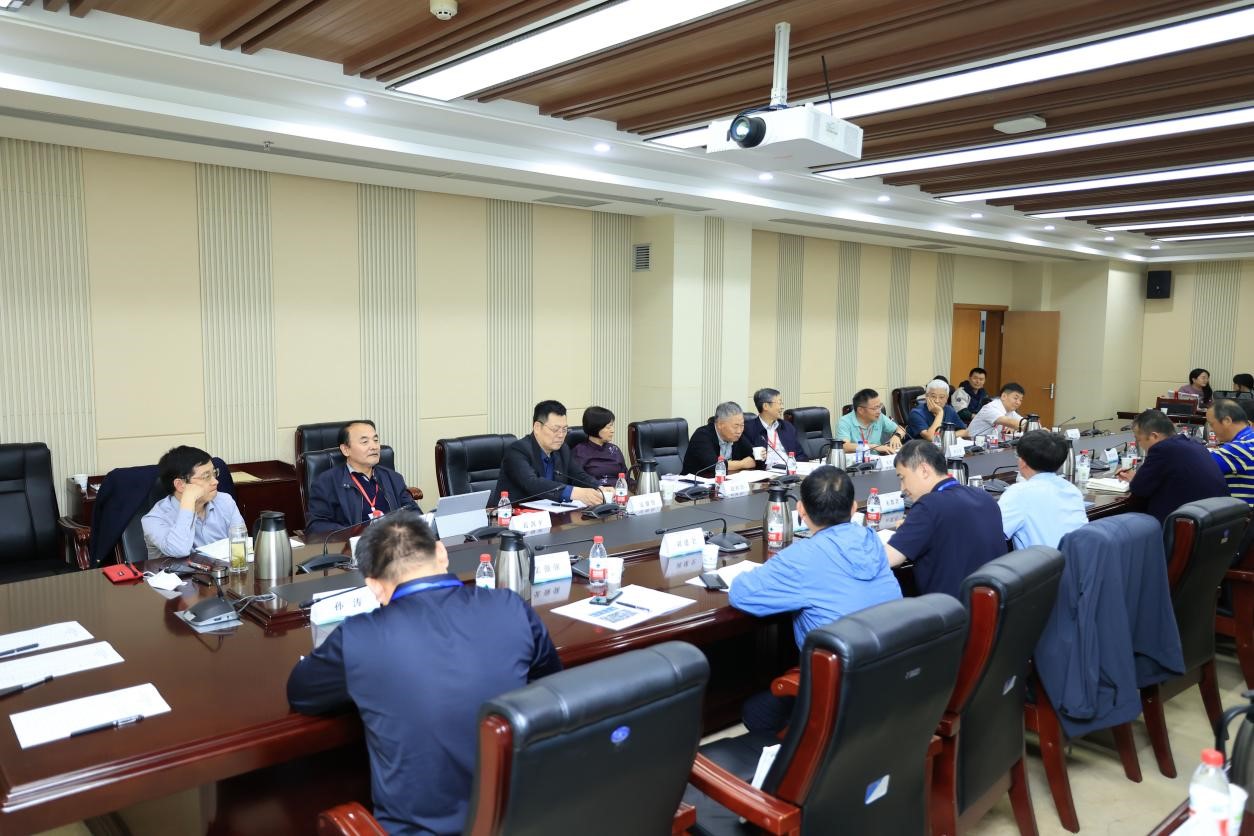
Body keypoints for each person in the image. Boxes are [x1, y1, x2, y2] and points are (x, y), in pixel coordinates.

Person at [287, 511, 561, 835]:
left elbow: (301, 692)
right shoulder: (510, 606)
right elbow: (550, 683)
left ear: (373, 586)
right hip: (522, 820)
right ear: (441, 553)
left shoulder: (359, 637)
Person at [728, 465, 902, 732]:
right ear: (853, 508)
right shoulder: (870, 539)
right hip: (893, 678)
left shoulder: (802, 557)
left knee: (755, 712)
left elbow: (741, 593)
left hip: (842, 691)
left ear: (801, 510)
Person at [884, 440, 1008, 598]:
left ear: (923, 470)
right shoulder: (984, 497)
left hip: (949, 609)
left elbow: (887, 559)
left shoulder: (928, 506)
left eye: (902, 478)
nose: (902, 488)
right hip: (992, 604)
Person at [305, 420, 420, 534]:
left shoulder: (393, 478)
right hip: (352, 544)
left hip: (394, 541)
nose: (374, 447)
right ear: (346, 450)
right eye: (365, 442)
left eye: (375, 440)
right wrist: (354, 533)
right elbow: (316, 525)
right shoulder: (325, 483)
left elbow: (414, 512)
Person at [1116, 409, 1228, 522]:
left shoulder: (1162, 449)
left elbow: (1139, 489)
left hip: (1183, 524)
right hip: (1214, 520)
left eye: (1138, 440)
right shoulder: (1195, 444)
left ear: (1153, 436)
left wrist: (1134, 479)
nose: (1139, 444)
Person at [491, 400, 605, 507]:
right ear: (537, 427)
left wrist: (599, 487)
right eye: (555, 429)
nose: (561, 435)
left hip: (551, 514)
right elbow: (532, 483)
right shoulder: (517, 451)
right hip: (513, 516)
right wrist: (574, 492)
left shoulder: (562, 449)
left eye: (564, 429)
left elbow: (578, 475)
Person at [141, 445, 245, 560]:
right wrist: (188, 500)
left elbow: (241, 545)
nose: (215, 481)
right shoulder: (154, 520)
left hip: (224, 570)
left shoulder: (225, 501)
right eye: (206, 476)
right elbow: (179, 550)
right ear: (180, 485)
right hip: (178, 572)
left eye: (214, 473)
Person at [998, 430, 1087, 549]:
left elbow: (993, 532)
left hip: (1041, 561)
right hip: (1075, 558)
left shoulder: (1019, 493)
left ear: (1022, 462)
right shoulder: (1072, 489)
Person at [681, 401, 756, 475]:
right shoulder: (702, 435)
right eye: (735, 426)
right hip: (696, 481)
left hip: (726, 479)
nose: (739, 431)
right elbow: (714, 465)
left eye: (742, 425)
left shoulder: (737, 436)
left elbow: (754, 455)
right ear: (720, 424)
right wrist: (742, 464)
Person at [1208, 399, 1254, 506]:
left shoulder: (1239, 448)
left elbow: (1198, 467)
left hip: (1243, 513)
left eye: (1212, 424)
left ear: (1227, 421)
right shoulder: (1249, 439)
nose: (1211, 429)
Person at [742, 388, 802, 469]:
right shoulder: (748, 429)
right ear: (765, 406)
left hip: (792, 470)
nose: (782, 407)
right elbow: (746, 460)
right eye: (779, 403)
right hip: (766, 473)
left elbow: (800, 455)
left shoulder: (787, 427)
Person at [835, 388, 906, 454]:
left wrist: (897, 436)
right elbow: (844, 446)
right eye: (875, 408)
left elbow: (901, 429)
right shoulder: (845, 421)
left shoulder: (879, 417)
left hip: (878, 459)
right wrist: (874, 447)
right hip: (857, 461)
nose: (879, 411)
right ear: (860, 410)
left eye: (880, 406)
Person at [570, 405, 627, 484]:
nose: (612, 430)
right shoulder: (579, 452)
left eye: (612, 426)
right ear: (596, 427)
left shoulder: (614, 449)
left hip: (619, 490)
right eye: (608, 427)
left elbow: (626, 476)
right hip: (595, 490)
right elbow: (576, 480)